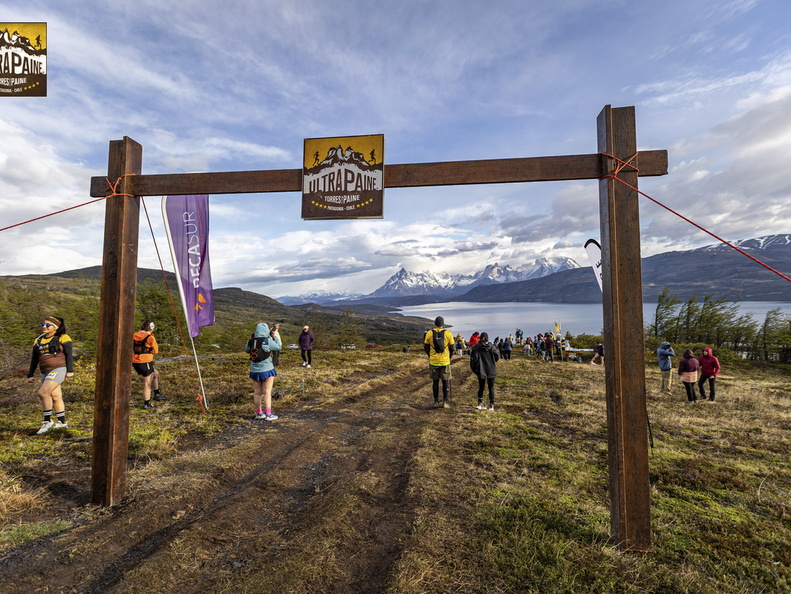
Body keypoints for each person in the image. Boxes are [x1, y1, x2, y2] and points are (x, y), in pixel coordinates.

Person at [27, 316, 74, 434]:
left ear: (55, 327)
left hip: (58, 369)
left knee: (43, 393)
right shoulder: (38, 340)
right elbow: (34, 359)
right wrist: (30, 373)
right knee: (56, 396)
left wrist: (70, 371)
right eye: (43, 324)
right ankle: (62, 422)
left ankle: (47, 421)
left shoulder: (63, 337)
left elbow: (69, 355)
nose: (44, 326)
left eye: (48, 325)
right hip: (44, 371)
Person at [245, 322, 282, 420]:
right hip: (267, 369)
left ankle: (259, 413)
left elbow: (246, 350)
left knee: (257, 393)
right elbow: (278, 347)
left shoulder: (250, 341)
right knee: (267, 392)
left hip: (254, 369)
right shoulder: (267, 340)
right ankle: (269, 414)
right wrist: (274, 337)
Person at [132, 320, 167, 409]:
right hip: (145, 361)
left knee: (155, 373)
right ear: (151, 328)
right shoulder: (150, 337)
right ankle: (146, 404)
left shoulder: (134, 335)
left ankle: (157, 393)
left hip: (136, 360)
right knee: (147, 383)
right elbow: (156, 350)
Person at [423, 316, 455, 408]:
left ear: (435, 323)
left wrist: (430, 356)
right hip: (445, 361)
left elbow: (426, 347)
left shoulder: (429, 333)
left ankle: (436, 401)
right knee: (445, 382)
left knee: (435, 382)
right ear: (443, 324)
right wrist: (449, 357)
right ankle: (445, 402)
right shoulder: (448, 333)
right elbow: (452, 347)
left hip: (433, 361)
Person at [469, 332, 499, 411]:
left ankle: (480, 403)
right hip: (491, 369)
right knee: (491, 388)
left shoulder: (477, 347)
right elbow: (497, 357)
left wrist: (475, 369)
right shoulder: (492, 346)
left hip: (481, 369)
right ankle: (491, 405)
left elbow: (473, 359)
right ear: (488, 338)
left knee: (481, 387)